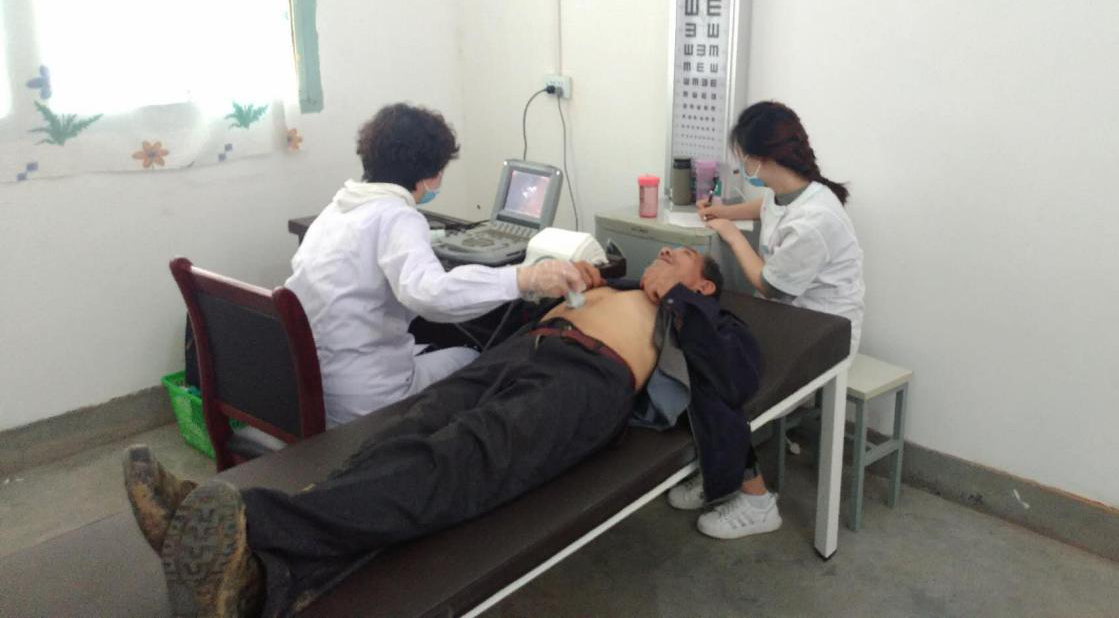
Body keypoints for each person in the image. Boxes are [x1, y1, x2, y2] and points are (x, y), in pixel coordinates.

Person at [123, 248, 760, 618]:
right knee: (403, 437)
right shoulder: (615, 282)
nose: (663, 256)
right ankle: (259, 579)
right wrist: (562, 278)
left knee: (458, 458)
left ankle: (243, 519)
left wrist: (682, 303)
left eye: (678, 257)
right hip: (519, 353)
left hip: (587, 381)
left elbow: (735, 375)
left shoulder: (709, 318)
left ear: (704, 282)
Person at [287, 103, 588, 425]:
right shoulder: (397, 217)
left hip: (316, 390)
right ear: (432, 174)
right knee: (474, 356)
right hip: (368, 401)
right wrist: (524, 279)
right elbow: (431, 295)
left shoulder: (336, 210)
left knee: (431, 345)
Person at [668, 100, 865, 540]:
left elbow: (770, 285)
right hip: (786, 317)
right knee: (701, 358)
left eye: (744, 158)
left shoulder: (815, 219)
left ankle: (756, 501)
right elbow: (764, 207)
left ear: (763, 158)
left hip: (822, 331)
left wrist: (731, 236)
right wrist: (723, 211)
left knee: (725, 380)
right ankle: (721, 471)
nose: (743, 166)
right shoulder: (790, 190)